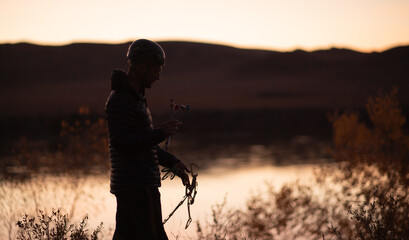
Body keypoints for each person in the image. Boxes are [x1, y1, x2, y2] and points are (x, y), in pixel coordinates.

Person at [105, 39, 190, 240]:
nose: (158, 77)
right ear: (141, 67)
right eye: (155, 71)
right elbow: (122, 143)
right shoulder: (121, 100)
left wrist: (173, 163)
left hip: (136, 186)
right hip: (137, 188)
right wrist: (161, 133)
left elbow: (144, 145)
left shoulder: (135, 99)